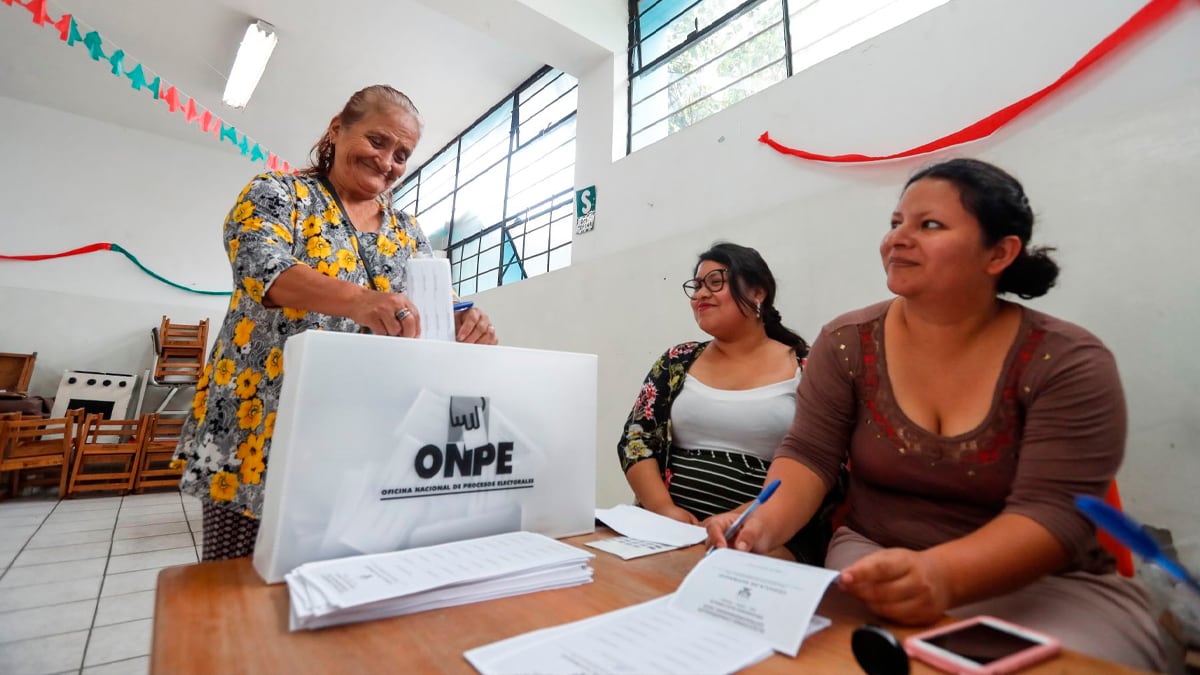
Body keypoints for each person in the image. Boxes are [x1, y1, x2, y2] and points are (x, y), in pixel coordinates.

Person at [705, 159, 1169, 670]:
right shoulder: (846, 344)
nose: (898, 239)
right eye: (895, 222)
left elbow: (1054, 514)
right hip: (875, 566)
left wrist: (941, 575)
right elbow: (809, 456)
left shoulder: (1066, 360)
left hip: (1048, 590)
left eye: (929, 225)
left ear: (1000, 252)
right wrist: (761, 524)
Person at [173, 85, 499, 561]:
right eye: (378, 141)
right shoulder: (278, 192)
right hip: (258, 423)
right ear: (337, 129)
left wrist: (469, 320)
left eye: (402, 154)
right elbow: (259, 266)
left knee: (338, 588)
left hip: (359, 439)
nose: (388, 161)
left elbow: (436, 304)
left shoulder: (406, 231)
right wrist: (361, 301)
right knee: (237, 592)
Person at [617, 242, 842, 564]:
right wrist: (664, 510)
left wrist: (740, 520)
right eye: (696, 286)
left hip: (765, 535)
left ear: (757, 292)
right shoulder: (677, 360)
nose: (700, 295)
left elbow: (828, 461)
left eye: (715, 282)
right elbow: (636, 438)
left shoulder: (807, 367)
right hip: (670, 530)